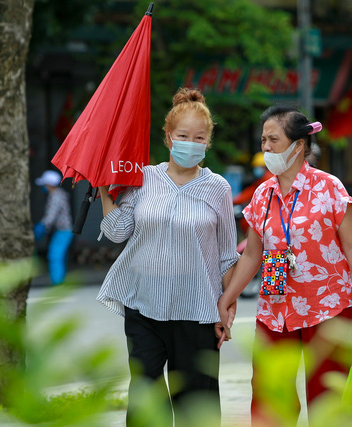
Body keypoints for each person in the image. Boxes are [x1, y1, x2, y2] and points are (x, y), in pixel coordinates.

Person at [217, 105, 352, 425]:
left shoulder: (330, 188)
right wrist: (228, 296)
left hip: (329, 305)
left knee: (327, 399)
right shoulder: (262, 194)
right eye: (263, 140)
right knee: (270, 398)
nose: (265, 147)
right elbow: (252, 254)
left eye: (273, 140)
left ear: (298, 145)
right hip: (276, 309)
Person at [96, 88, 239, 427]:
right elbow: (118, 231)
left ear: (208, 142)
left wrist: (226, 309)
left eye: (199, 137)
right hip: (143, 306)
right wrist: (104, 189)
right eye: (183, 136)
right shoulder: (143, 178)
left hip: (197, 312)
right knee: (146, 398)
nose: (191, 143)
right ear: (168, 137)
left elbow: (226, 256)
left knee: (195, 404)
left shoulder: (218, 188)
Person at [33, 170, 74, 285]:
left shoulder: (55, 196)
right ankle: (59, 281)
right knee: (58, 256)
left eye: (45, 184)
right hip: (62, 230)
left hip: (63, 231)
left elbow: (51, 217)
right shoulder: (59, 194)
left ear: (49, 184)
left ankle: (58, 283)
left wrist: (42, 226)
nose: (43, 187)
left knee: (55, 256)